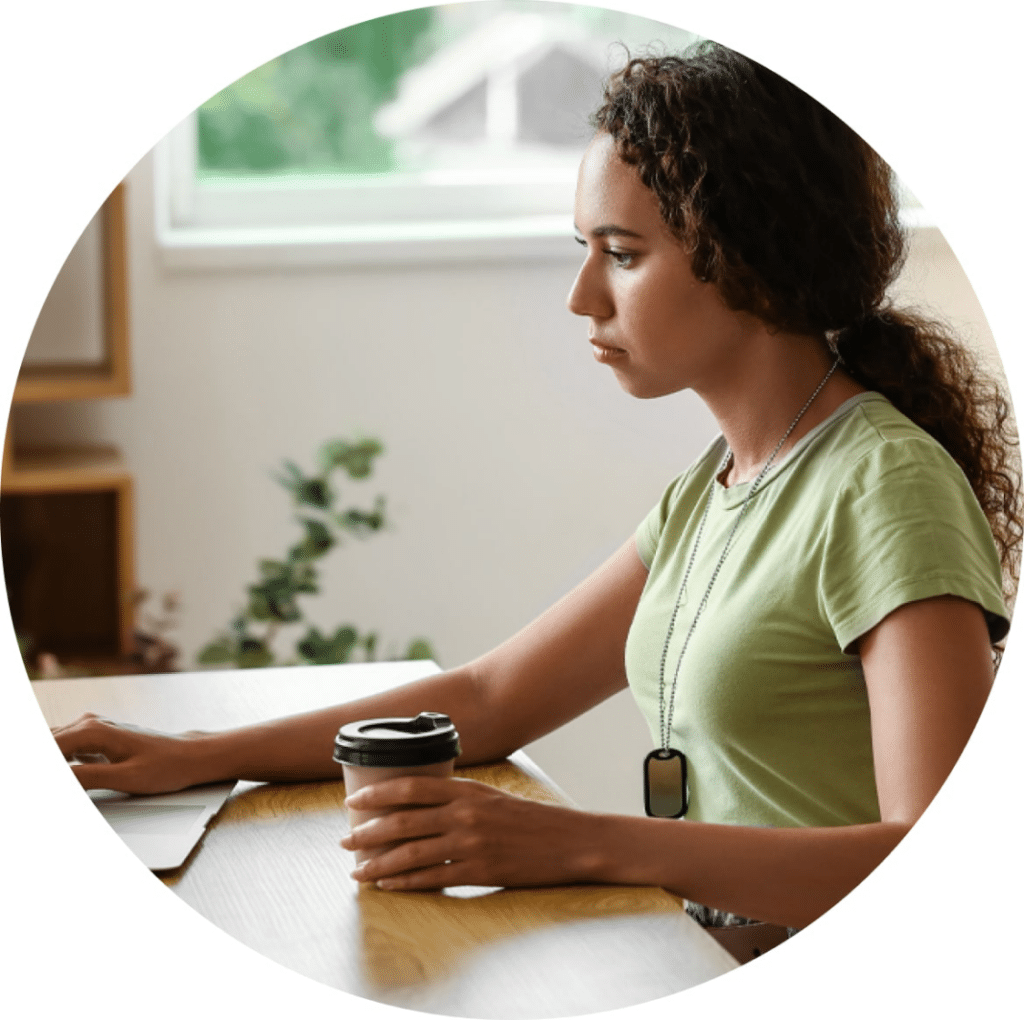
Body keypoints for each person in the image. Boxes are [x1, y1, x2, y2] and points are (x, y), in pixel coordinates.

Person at [51, 42, 1019, 941]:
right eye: (582, 248)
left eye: (624, 254)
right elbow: (492, 694)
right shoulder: (721, 485)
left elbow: (938, 864)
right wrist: (199, 755)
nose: (582, 296)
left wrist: (574, 842)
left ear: (749, 257)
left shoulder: (885, 489)